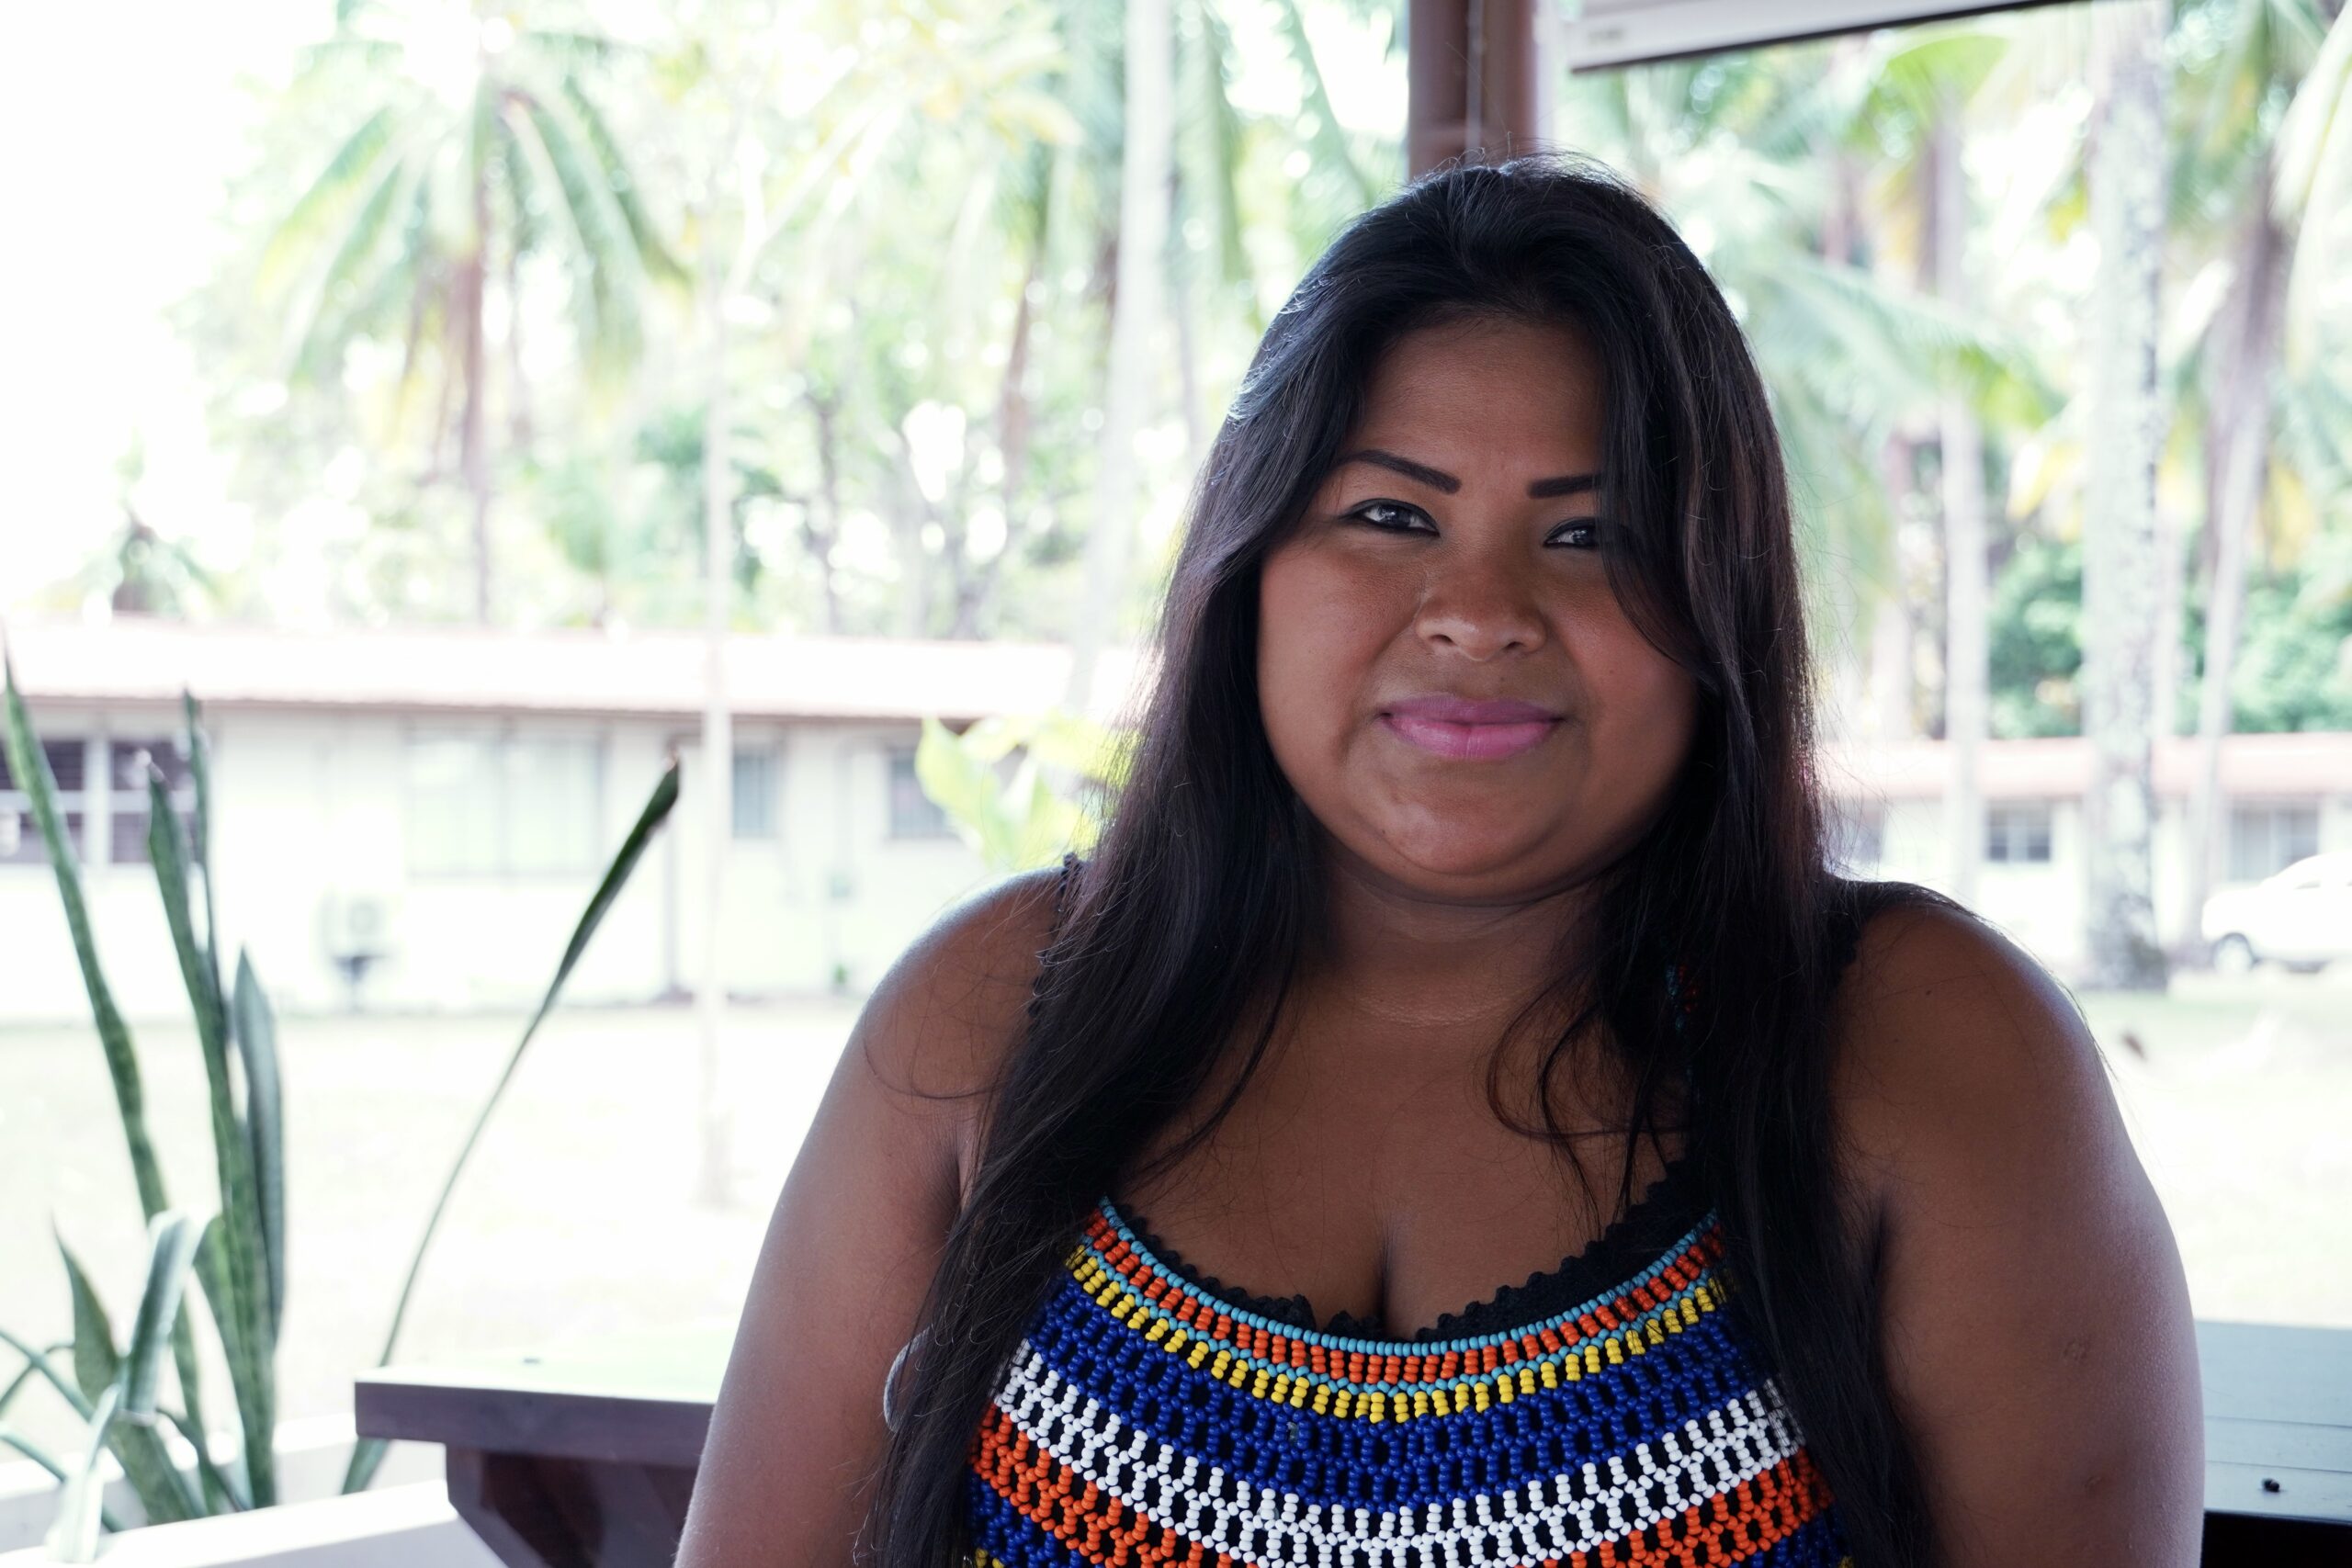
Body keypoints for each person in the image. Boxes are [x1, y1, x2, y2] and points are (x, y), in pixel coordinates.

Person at [674, 154, 2202, 1568]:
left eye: (1591, 534)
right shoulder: (992, 1015)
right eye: (1391, 514)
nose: (1478, 611)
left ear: (1718, 609)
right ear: (1247, 575)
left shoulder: (1924, 1048)